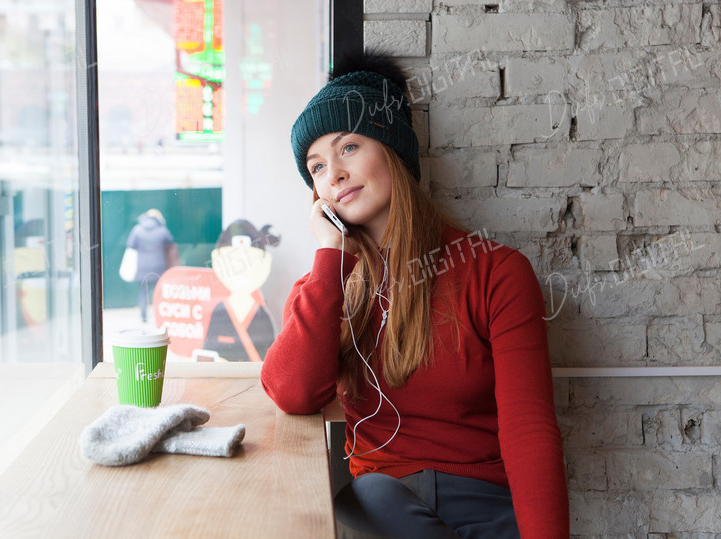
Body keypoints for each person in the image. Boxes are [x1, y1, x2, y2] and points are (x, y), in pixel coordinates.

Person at [260, 53, 570, 538]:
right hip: (386, 505)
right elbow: (294, 393)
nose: (333, 175)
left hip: (487, 508)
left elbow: (529, 431)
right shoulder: (327, 285)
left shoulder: (497, 272)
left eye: (349, 148)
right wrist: (331, 258)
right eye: (316, 167)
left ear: (393, 150)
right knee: (373, 495)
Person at [203, 219, 280, 361]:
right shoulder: (217, 312)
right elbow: (207, 355)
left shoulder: (263, 315)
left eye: (248, 263)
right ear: (217, 261)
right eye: (232, 263)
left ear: (264, 263)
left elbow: (271, 360)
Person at [126, 209, 178, 323]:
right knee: (158, 292)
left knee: (143, 292)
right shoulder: (163, 231)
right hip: (159, 266)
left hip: (142, 266)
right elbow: (170, 243)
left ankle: (143, 316)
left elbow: (130, 244)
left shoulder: (137, 230)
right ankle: (159, 315)